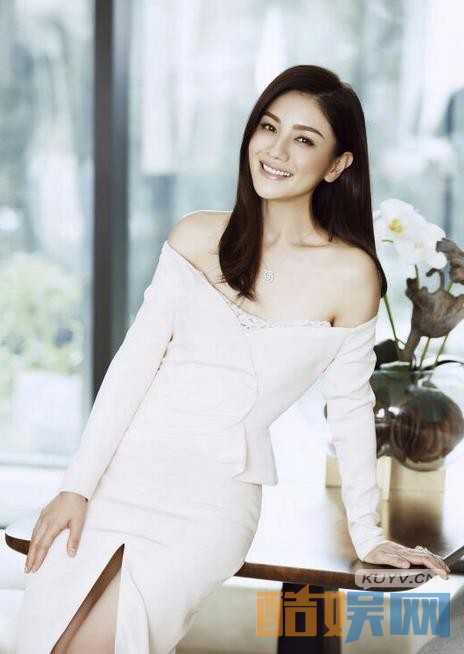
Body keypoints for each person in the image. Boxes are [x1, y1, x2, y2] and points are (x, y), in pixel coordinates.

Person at [16, 64, 450, 654]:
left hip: (209, 505)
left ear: (338, 164)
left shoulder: (352, 276)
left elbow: (350, 410)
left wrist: (367, 533)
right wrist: (76, 487)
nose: (277, 150)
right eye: (268, 127)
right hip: (120, 479)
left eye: (304, 139)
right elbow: (131, 369)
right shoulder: (195, 237)